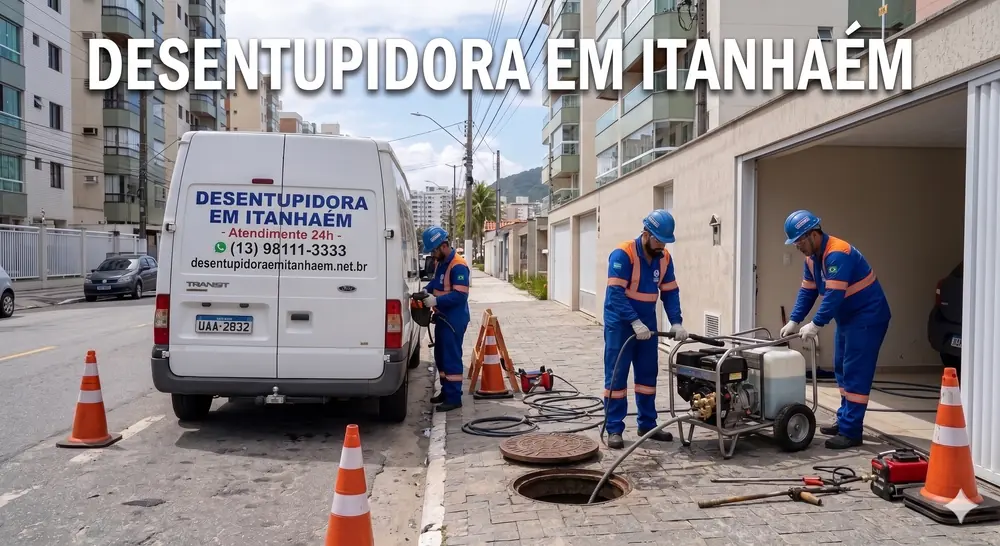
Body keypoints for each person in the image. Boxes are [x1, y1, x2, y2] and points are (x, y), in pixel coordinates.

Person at [778, 210, 891, 450]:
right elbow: (807, 292)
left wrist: (816, 324)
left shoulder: (838, 253)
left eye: (799, 241)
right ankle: (845, 420)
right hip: (848, 318)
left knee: (855, 372)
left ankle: (851, 432)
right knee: (841, 367)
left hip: (867, 317)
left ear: (812, 234)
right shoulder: (811, 258)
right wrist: (795, 320)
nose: (797, 246)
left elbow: (834, 295)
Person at [602, 209, 688, 449]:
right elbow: (616, 295)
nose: (662, 246)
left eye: (665, 241)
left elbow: (670, 292)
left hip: (647, 322)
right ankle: (614, 429)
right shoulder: (623, 254)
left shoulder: (665, 258)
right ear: (646, 233)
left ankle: (647, 425)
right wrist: (633, 321)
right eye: (658, 240)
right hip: (620, 322)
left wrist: (676, 322)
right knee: (617, 375)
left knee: (648, 375)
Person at [421, 226, 471, 412]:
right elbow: (436, 283)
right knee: (441, 357)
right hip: (443, 317)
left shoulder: (458, 265)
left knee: (451, 357)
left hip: (454, 319)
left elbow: (460, 295)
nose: (433, 255)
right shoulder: (441, 263)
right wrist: (426, 290)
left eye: (434, 250)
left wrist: (436, 300)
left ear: (443, 246)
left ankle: (454, 397)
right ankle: (445, 391)